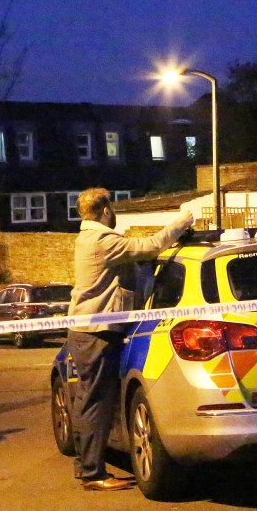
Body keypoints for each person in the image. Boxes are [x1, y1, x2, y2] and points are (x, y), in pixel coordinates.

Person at [67, 187, 193, 491]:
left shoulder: (88, 237)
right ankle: (93, 474)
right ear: (105, 210)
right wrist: (182, 222)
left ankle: (86, 466)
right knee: (97, 401)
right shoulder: (102, 240)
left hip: (86, 328)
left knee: (87, 399)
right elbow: (149, 246)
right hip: (96, 330)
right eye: (112, 207)